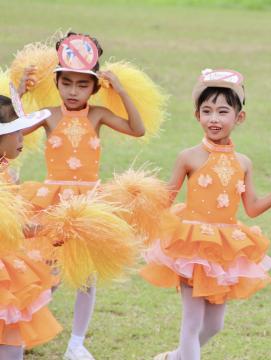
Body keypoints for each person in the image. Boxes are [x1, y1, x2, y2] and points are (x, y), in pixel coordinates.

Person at [10, 31, 165, 360]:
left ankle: (76, 343)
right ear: (57, 83)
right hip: (52, 203)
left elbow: (137, 129)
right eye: (67, 83)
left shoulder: (97, 116)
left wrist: (120, 90)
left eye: (83, 85)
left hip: (89, 205)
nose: (74, 91)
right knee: (45, 271)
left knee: (86, 277)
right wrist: (19, 94)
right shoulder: (49, 115)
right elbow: (15, 133)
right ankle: (25, 328)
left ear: (95, 88)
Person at [140, 68, 271, 360]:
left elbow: (253, 208)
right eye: (206, 111)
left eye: (222, 112)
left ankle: (172, 358)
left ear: (238, 117)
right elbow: (166, 198)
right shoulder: (188, 156)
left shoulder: (243, 163)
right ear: (197, 115)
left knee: (215, 325)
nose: (214, 119)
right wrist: (138, 202)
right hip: (191, 245)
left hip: (224, 248)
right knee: (191, 324)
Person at [0, 94, 62, 360]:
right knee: (10, 344)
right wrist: (54, 227)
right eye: (17, 133)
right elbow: (16, 226)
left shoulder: (5, 172)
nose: (22, 139)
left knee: (11, 338)